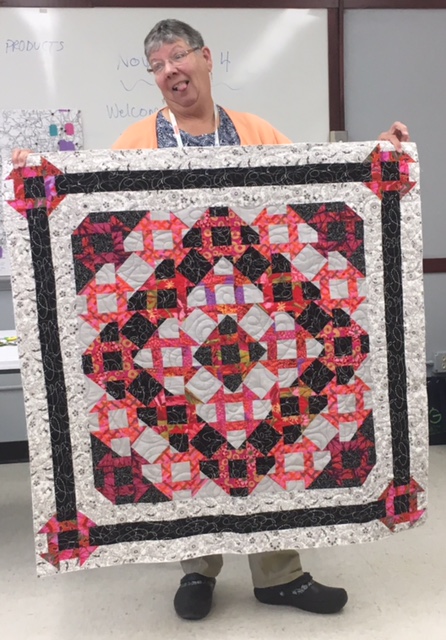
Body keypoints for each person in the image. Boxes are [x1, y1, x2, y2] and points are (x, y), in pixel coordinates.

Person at [12, 18, 410, 622]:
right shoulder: (136, 141)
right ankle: (197, 570)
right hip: (169, 328)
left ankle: (280, 575)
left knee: (274, 448)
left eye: (178, 56)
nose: (170, 70)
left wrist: (378, 156)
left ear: (206, 58)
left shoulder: (255, 132)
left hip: (269, 321)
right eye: (157, 65)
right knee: (183, 454)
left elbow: (314, 187)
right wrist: (36, 172)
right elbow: (99, 214)